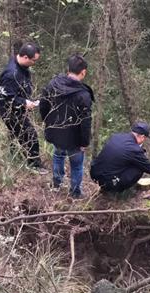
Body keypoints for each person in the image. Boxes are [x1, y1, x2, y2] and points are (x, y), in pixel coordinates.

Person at [39, 54, 94, 198]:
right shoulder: (83, 95)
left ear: (68, 69)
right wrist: (84, 142)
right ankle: (75, 193)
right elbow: (86, 121)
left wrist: (48, 123)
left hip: (56, 133)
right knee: (76, 165)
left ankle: (57, 184)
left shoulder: (53, 84)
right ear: (83, 72)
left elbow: (43, 105)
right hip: (74, 139)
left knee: (58, 155)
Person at [0, 42, 45, 172]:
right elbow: (5, 96)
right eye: (33, 60)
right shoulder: (12, 74)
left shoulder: (21, 67)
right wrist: (23, 103)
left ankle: (16, 159)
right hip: (10, 111)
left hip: (19, 108)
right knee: (30, 135)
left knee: (17, 135)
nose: (34, 63)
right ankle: (34, 165)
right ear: (25, 57)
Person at [90, 122, 150, 193]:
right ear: (142, 136)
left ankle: (107, 186)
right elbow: (146, 165)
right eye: (145, 138)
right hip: (109, 182)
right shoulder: (134, 149)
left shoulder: (116, 136)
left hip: (95, 174)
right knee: (139, 168)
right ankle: (116, 192)